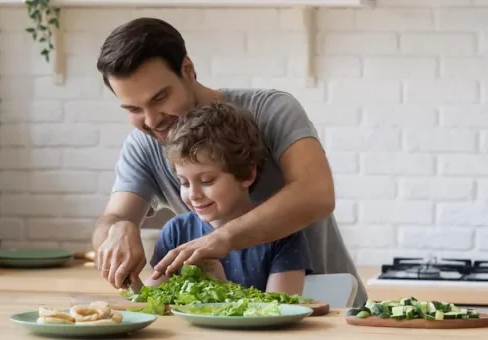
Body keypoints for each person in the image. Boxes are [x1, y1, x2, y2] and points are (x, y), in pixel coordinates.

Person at [91, 17, 368, 307]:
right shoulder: (143, 145)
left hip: (330, 310)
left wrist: (222, 238)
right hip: (224, 319)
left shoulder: (271, 110)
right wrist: (117, 230)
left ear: (188, 70)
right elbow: (111, 219)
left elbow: (317, 194)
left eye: (160, 98)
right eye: (133, 109)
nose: (151, 120)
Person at [143, 102, 313, 294]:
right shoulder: (176, 231)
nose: (193, 194)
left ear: (247, 175)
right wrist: (130, 279)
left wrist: (222, 288)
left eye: (207, 180)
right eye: (184, 183)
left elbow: (283, 309)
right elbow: (151, 298)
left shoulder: (283, 234)